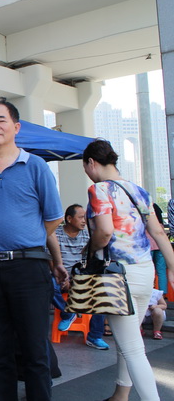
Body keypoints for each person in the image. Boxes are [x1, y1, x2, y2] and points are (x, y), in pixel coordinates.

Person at [0, 98, 64, 401]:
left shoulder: (36, 166)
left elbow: (54, 217)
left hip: (29, 267)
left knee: (34, 348)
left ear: (16, 127)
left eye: (1, 119)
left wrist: (27, 238)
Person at [83, 139, 174, 401]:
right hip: (144, 271)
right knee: (130, 340)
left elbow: (105, 232)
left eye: (85, 167)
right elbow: (158, 232)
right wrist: (171, 267)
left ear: (92, 162)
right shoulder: (138, 190)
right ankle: (120, 395)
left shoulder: (99, 189)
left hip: (118, 276)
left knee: (133, 348)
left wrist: (90, 250)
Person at [47, 204, 109, 350]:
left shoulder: (87, 235)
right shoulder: (55, 234)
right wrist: (63, 278)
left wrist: (75, 279)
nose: (84, 221)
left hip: (80, 276)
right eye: (80, 217)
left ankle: (95, 336)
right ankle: (68, 313)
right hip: (58, 275)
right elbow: (50, 259)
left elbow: (89, 262)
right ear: (69, 219)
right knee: (47, 284)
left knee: (101, 292)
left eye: (84, 218)